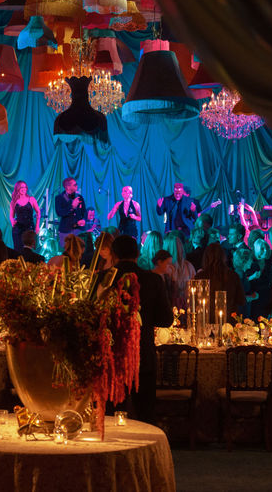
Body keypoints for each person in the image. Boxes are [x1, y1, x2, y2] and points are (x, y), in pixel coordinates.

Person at [93, 235, 172, 424]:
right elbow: (166, 320)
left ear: (113, 255)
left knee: (110, 417)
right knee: (146, 416)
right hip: (142, 355)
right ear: (137, 254)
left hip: (110, 356)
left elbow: (92, 317)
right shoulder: (153, 280)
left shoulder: (102, 279)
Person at [194, 242, 246, 315]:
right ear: (223, 257)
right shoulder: (233, 275)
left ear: (206, 258)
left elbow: (194, 301)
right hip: (228, 318)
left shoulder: (200, 277)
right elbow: (241, 300)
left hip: (206, 318)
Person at [247, 238, 272, 319]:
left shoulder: (271, 264)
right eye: (262, 249)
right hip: (254, 299)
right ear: (257, 249)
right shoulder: (251, 264)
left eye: (267, 248)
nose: (265, 251)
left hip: (267, 299)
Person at [54, 177, 86, 248]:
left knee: (79, 249)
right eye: (74, 185)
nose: (77, 186)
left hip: (78, 229)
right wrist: (72, 207)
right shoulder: (59, 198)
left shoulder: (79, 197)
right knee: (66, 249)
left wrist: (83, 219)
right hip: (66, 230)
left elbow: (84, 211)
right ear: (67, 187)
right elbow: (59, 213)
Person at [9, 181, 40, 251]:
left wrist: (37, 226)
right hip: (18, 229)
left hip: (29, 228)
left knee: (28, 250)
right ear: (17, 188)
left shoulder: (31, 199)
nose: (23, 189)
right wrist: (12, 221)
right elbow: (11, 216)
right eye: (21, 187)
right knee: (18, 250)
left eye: (25, 187)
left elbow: (38, 212)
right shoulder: (14, 201)